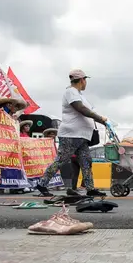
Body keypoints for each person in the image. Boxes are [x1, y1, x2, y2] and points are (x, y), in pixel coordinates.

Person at [35, 69, 107, 198]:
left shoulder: (79, 95)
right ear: (82, 80)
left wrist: (102, 121)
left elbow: (88, 112)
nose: (86, 83)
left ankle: (90, 188)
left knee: (86, 161)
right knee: (61, 160)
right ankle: (42, 184)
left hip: (82, 135)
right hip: (71, 134)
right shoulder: (70, 92)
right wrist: (100, 118)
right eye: (85, 80)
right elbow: (81, 109)